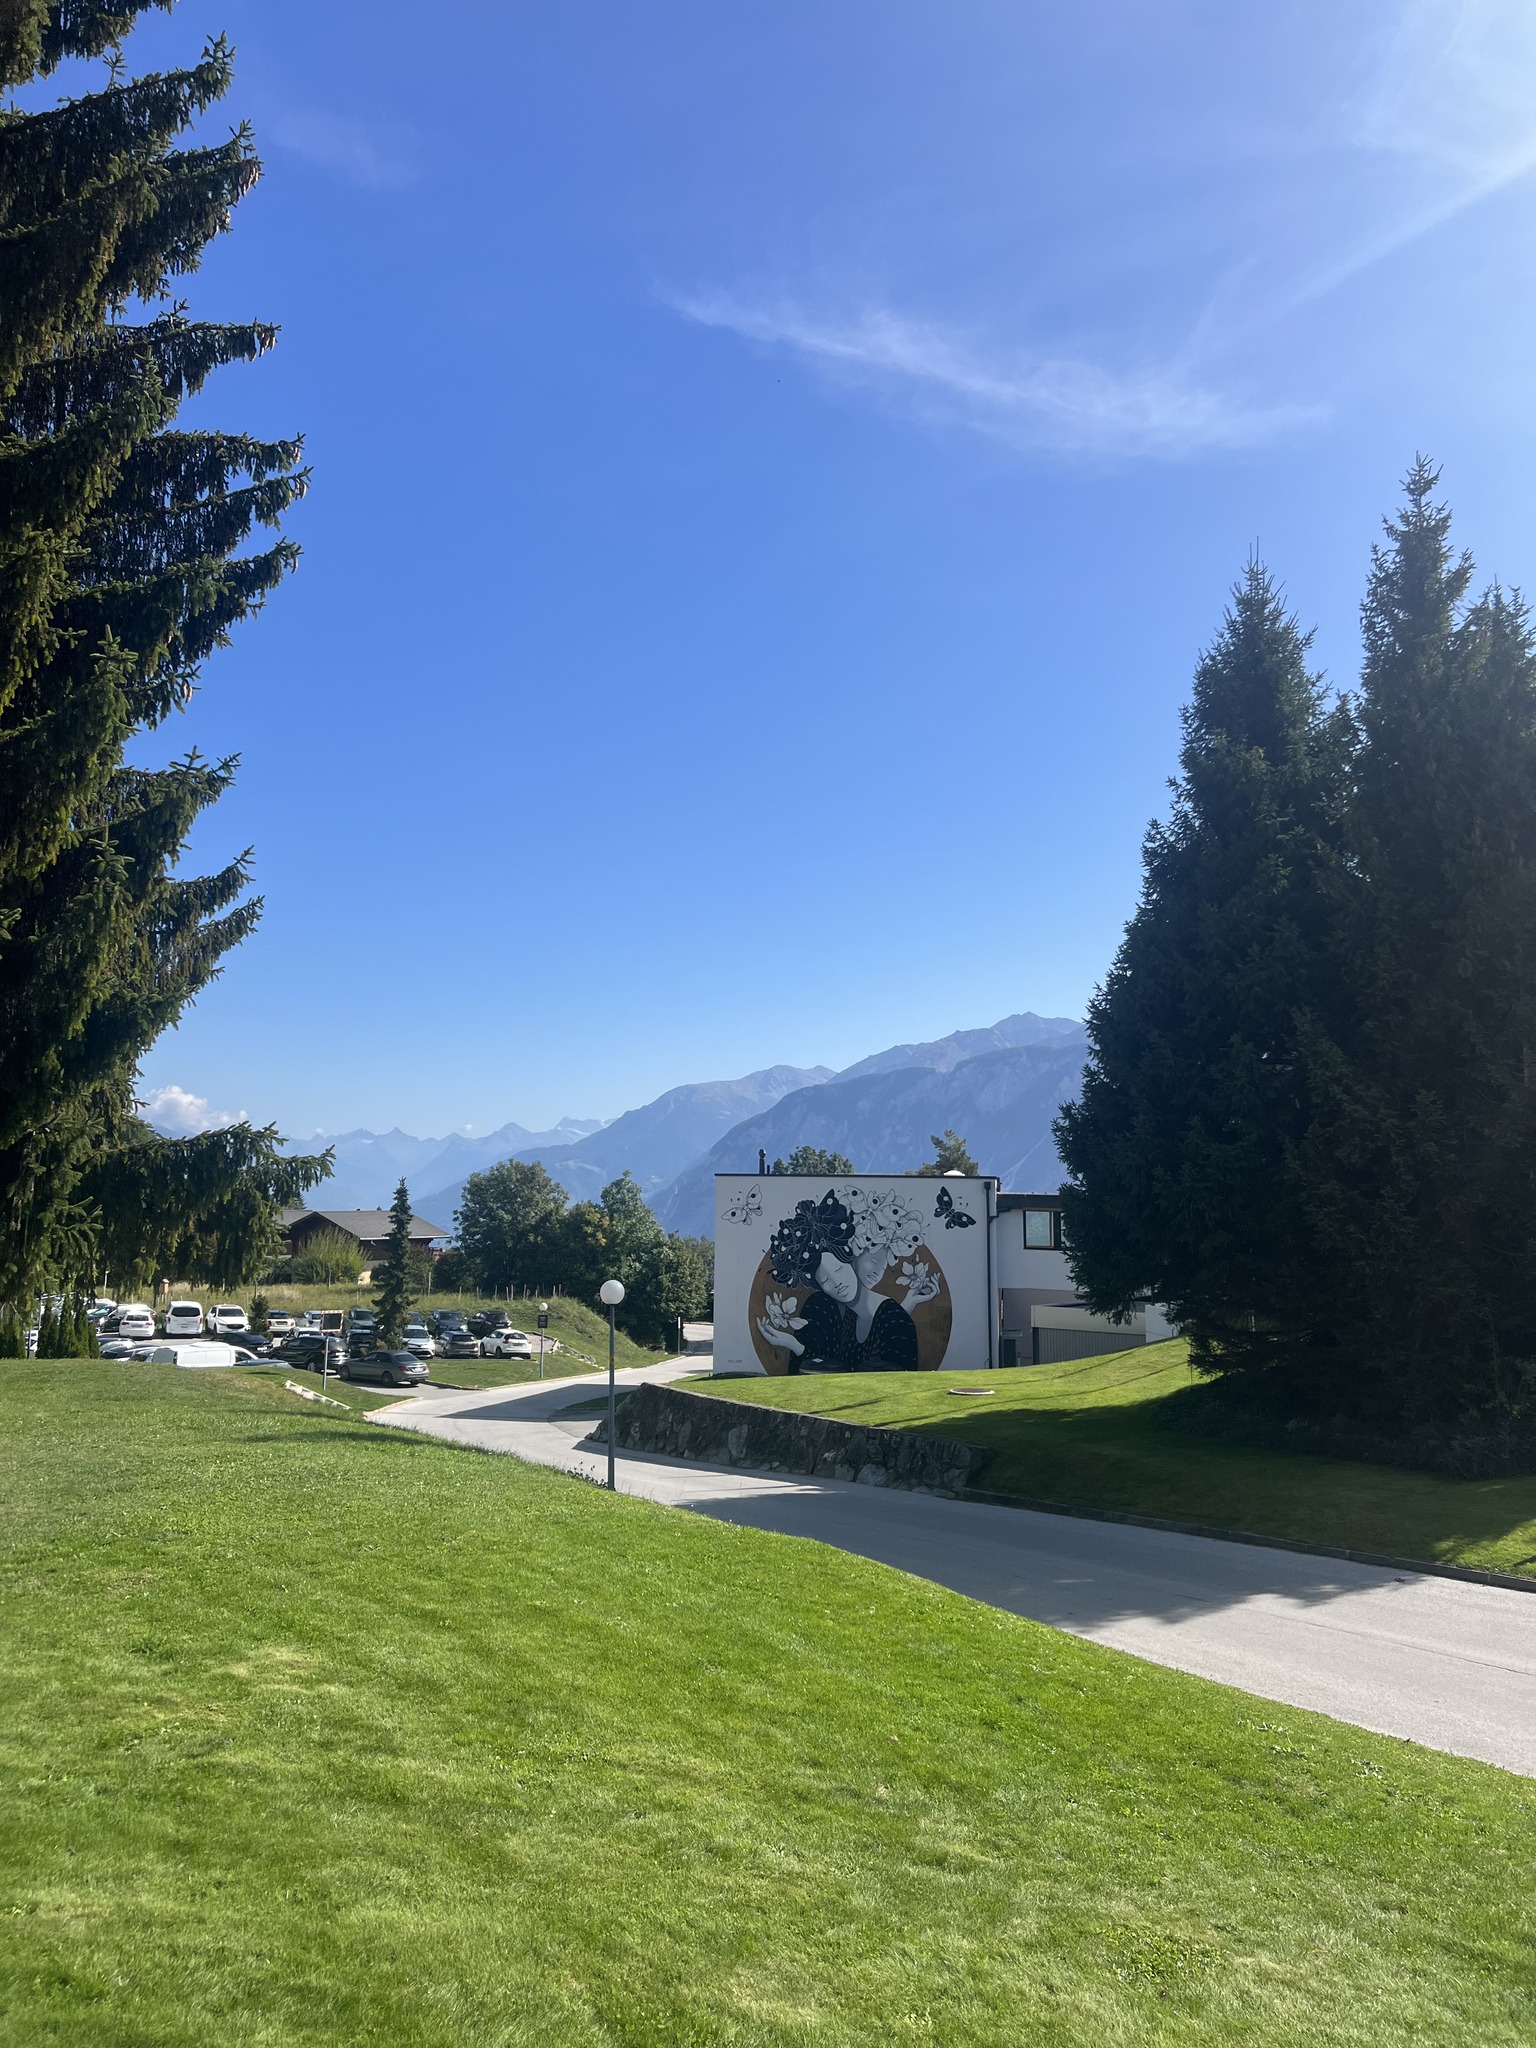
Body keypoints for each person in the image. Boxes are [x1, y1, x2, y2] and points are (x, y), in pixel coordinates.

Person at [757, 1190, 919, 1371]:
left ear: (852, 1263)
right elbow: (814, 1366)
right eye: (825, 1280)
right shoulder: (823, 1307)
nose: (837, 1283)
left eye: (839, 1270)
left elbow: (900, 1376)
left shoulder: (895, 1319)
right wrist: (793, 1344)